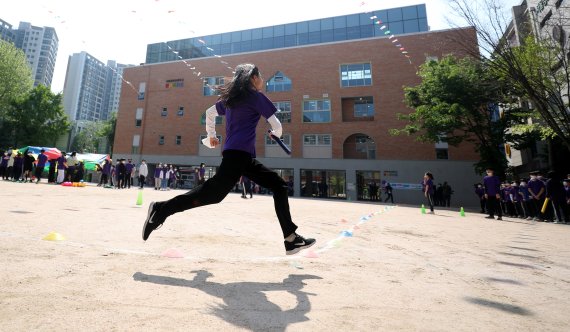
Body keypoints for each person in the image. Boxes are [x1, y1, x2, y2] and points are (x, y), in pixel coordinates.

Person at [142, 63, 315, 255]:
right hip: (239, 156)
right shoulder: (256, 97)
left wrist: (210, 136)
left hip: (240, 156)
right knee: (212, 194)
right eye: (261, 76)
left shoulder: (231, 100)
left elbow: (209, 113)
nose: (263, 80)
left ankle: (291, 239)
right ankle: (160, 209)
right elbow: (277, 125)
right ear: (253, 78)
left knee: (278, 186)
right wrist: (275, 134)